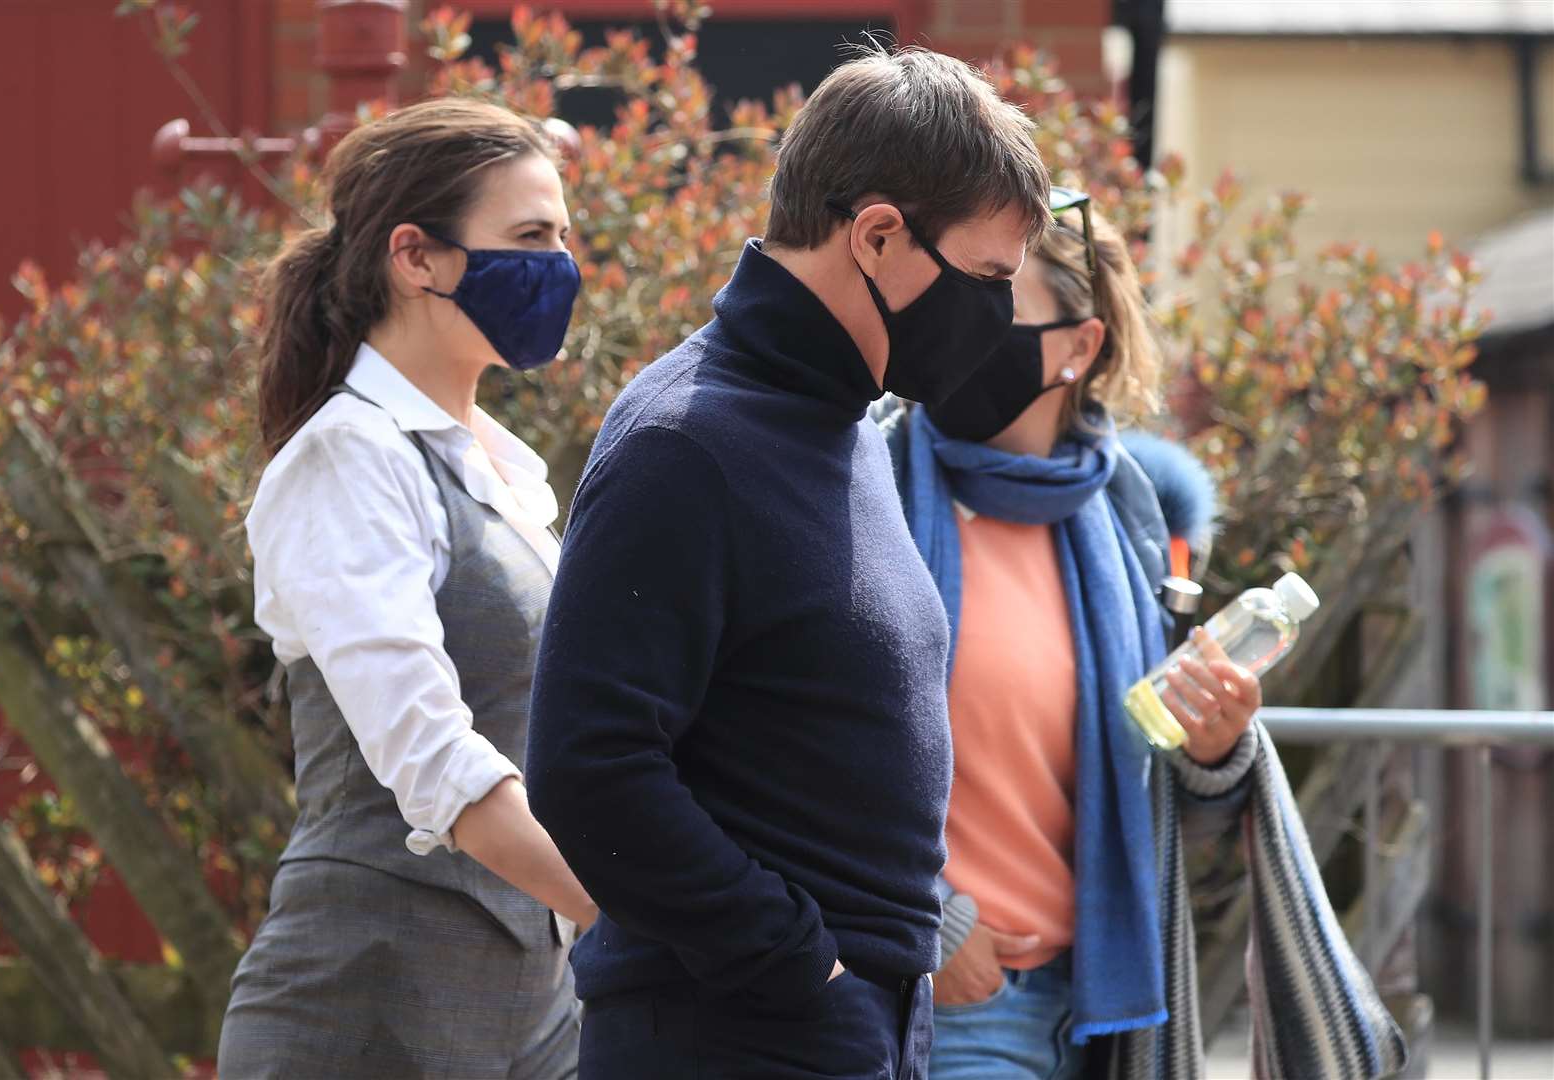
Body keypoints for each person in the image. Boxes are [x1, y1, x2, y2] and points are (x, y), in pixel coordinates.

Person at [524, 46, 1052, 1080]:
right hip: (737, 1029)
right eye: (986, 278)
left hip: (847, 1023)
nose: (995, 317)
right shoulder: (688, 440)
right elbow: (588, 768)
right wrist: (794, 960)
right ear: (877, 235)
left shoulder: (842, 422)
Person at [881, 191, 1407, 1079]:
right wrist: (930, 918)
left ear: (1078, 349)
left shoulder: (1127, 526)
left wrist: (1214, 749)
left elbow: (1158, 800)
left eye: (998, 300)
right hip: (955, 1004)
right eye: (956, 293)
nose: (962, 327)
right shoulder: (871, 489)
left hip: (1108, 1014)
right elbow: (802, 747)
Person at [219, 98, 596, 1080]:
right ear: (416, 258)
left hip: (535, 999)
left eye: (562, 236)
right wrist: (646, 911)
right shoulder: (348, 459)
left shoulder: (506, 471)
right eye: (529, 237)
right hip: (367, 995)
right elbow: (429, 753)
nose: (561, 265)